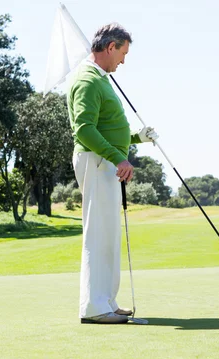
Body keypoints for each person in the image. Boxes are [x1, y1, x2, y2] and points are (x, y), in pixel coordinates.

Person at [68, 23, 158, 323]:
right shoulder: (88, 79)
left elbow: (107, 128)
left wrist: (136, 138)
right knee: (98, 235)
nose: (123, 60)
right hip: (97, 162)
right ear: (110, 47)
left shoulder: (100, 79)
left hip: (105, 161)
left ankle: (106, 301)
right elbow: (84, 129)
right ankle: (94, 308)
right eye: (123, 53)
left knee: (108, 236)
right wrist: (120, 157)